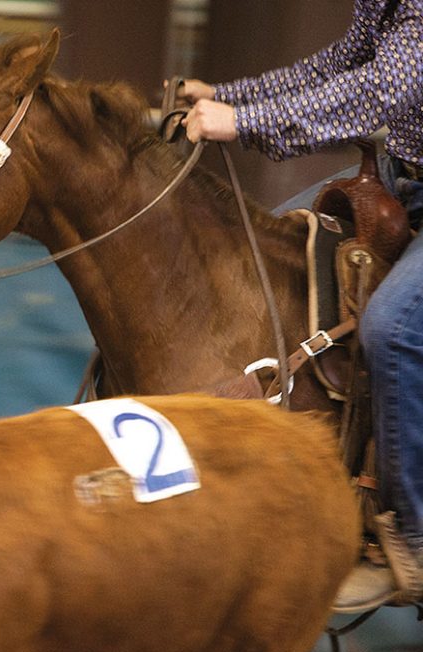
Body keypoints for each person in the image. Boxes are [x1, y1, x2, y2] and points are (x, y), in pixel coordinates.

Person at [177, 0, 423, 608]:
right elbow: (346, 61)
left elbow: (375, 92)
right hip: (404, 176)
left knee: (392, 328)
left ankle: (416, 536)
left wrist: (244, 121)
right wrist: (229, 94)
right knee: (283, 237)